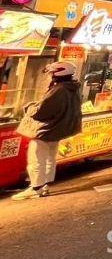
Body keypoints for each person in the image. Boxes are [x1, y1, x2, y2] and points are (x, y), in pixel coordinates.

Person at [12, 61, 82, 200]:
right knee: (49, 158)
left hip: (47, 130)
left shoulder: (59, 90)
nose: (50, 76)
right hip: (57, 130)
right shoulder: (71, 88)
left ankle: (36, 187)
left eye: (51, 73)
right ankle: (44, 185)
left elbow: (42, 112)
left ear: (58, 73)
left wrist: (30, 108)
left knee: (37, 158)